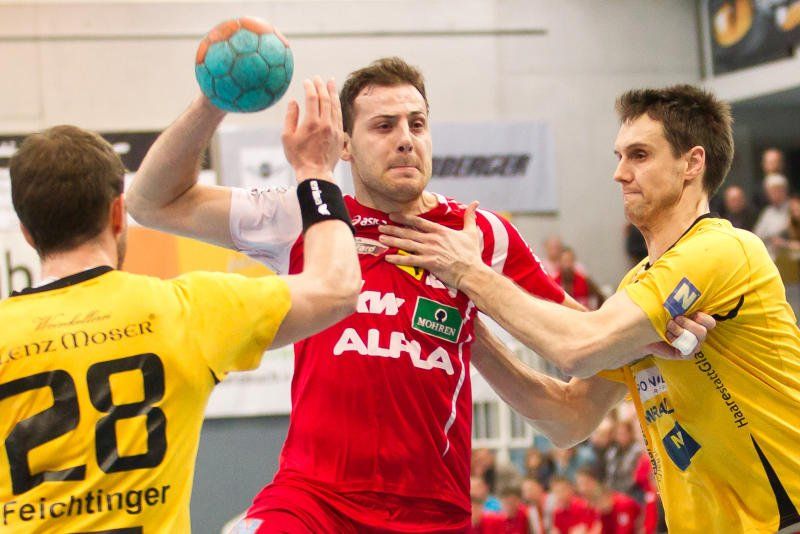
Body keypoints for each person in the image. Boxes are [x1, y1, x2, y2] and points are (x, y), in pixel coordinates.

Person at [127, 57, 581, 532]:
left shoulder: (477, 232)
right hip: (312, 502)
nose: (405, 139)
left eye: (417, 124)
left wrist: (479, 278)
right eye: (384, 126)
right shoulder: (308, 215)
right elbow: (151, 202)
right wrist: (212, 100)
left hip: (431, 514)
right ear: (344, 145)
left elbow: (583, 339)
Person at [378, 84, 800, 531]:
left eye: (639, 155)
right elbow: (568, 418)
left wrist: (469, 273)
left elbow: (577, 347)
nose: (619, 173)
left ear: (692, 163)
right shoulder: (637, 285)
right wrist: (470, 328)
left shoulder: (722, 249)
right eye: (619, 156)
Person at [0, 79, 360, 532]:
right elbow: (336, 286)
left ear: (27, 232)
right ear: (117, 214)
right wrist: (315, 171)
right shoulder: (184, 311)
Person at [575, 467, 640, 534]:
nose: (582, 489)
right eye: (579, 485)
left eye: (586, 483)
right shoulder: (594, 511)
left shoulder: (623, 504)